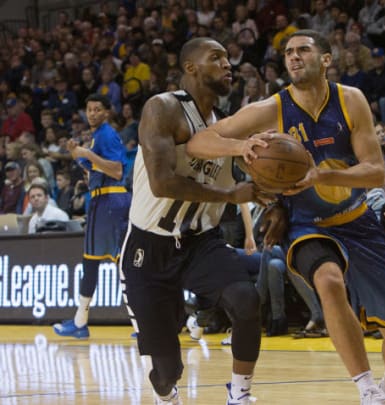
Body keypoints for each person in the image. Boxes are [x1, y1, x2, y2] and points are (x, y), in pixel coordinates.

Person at [185, 30, 385, 405]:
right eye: (288, 52)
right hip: (307, 225)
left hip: (358, 220)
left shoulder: (350, 100)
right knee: (328, 280)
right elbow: (199, 141)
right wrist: (241, 146)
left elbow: (374, 172)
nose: (293, 57)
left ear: (325, 59)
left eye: (303, 50)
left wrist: (322, 174)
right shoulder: (271, 108)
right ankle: (368, 390)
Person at [118, 38, 275, 405]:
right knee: (167, 370)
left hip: (201, 242)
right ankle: (166, 393)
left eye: (227, 57)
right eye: (216, 57)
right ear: (190, 68)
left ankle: (240, 394)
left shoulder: (227, 127)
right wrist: (228, 196)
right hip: (149, 247)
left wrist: (273, 181)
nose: (227, 64)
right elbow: (162, 184)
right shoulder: (164, 108)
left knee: (245, 299)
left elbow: (251, 179)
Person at [53, 94, 131, 340]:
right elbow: (96, 169)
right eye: (89, 109)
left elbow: (117, 171)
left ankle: (81, 322)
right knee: (115, 264)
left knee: (98, 264)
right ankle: (81, 321)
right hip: (105, 200)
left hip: (108, 201)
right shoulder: (100, 136)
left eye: (98, 109)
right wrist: (79, 156)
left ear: (107, 112)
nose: (92, 113)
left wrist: (87, 153)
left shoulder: (106, 134)